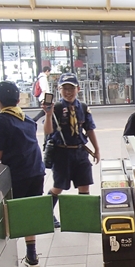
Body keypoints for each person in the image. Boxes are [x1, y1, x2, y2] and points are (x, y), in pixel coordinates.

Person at [0, 81, 45, 267]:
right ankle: (32, 255)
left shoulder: (1, 121)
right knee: (28, 211)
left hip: (17, 175)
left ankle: (5, 258)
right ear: (19, 100)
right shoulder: (26, 119)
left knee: (9, 213)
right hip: (36, 172)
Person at [43, 73, 100, 228]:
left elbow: (89, 129)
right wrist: (48, 115)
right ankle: (47, 213)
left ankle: (83, 217)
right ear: (59, 89)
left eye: (71, 88)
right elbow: (48, 131)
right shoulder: (57, 108)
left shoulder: (83, 107)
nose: (68, 92)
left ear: (78, 89)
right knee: (59, 186)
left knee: (84, 184)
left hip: (80, 152)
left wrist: (96, 149)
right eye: (65, 88)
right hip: (62, 153)